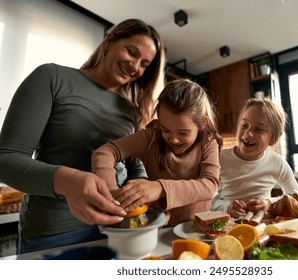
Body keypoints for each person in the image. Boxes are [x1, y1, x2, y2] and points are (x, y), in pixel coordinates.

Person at [0, 19, 166, 253]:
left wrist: (140, 186)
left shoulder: (130, 110)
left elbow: (132, 163)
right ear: (110, 40)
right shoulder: (52, 77)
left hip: (119, 230)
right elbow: (6, 160)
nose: (135, 66)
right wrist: (66, 180)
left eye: (144, 64)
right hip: (55, 235)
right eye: (132, 52)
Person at [92, 79, 221, 226]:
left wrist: (160, 188)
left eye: (183, 133)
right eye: (165, 129)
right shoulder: (150, 137)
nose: (174, 140)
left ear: (203, 122)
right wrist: (111, 194)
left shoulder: (209, 143)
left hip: (199, 228)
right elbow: (105, 152)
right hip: (158, 229)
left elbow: (209, 185)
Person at [211, 98, 298, 218]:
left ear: (273, 138)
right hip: (224, 226)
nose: (248, 133)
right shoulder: (219, 158)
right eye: (244, 125)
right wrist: (227, 207)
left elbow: (297, 197)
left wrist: (269, 204)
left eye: (259, 129)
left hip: (261, 226)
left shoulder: (277, 162)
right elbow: (206, 199)